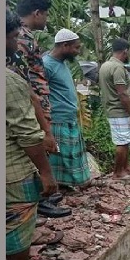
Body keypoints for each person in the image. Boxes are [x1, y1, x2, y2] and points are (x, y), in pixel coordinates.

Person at [6, 10, 72, 260]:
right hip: (11, 168)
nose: (15, 41)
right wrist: (46, 173)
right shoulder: (7, 80)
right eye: (11, 36)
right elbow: (25, 134)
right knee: (16, 218)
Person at [6, 0, 71, 218]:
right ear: (37, 13)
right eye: (46, 14)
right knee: (36, 146)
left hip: (33, 103)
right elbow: (25, 81)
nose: (47, 19)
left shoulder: (21, 35)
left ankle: (43, 198)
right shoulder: (20, 38)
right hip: (29, 106)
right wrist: (44, 124)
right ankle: (42, 199)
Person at [43, 29, 92, 190]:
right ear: (65, 45)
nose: (78, 52)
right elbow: (40, 94)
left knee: (69, 156)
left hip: (69, 118)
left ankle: (65, 186)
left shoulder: (61, 64)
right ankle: (56, 190)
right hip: (57, 120)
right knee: (59, 158)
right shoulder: (46, 64)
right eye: (76, 48)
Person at [98, 38, 130, 180]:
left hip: (114, 109)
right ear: (125, 51)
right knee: (122, 142)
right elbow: (122, 93)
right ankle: (118, 172)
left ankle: (126, 167)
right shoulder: (117, 68)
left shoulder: (106, 65)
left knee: (126, 140)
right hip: (119, 110)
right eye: (129, 51)